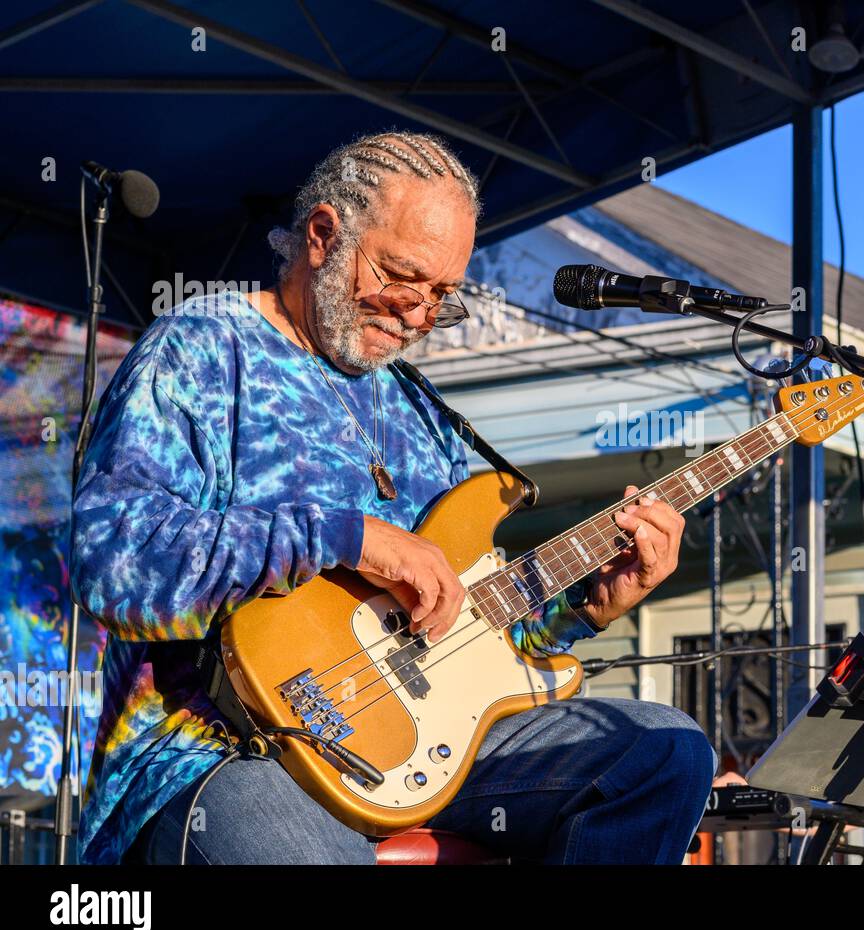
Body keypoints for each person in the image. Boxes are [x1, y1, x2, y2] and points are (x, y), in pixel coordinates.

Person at [72, 130, 716, 865]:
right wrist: (346, 536)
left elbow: (464, 634)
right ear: (322, 235)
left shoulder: (421, 411)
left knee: (661, 753)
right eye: (403, 277)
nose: (417, 314)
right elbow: (112, 564)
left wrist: (584, 608)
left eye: (443, 295)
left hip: (416, 748)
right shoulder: (203, 348)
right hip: (219, 749)